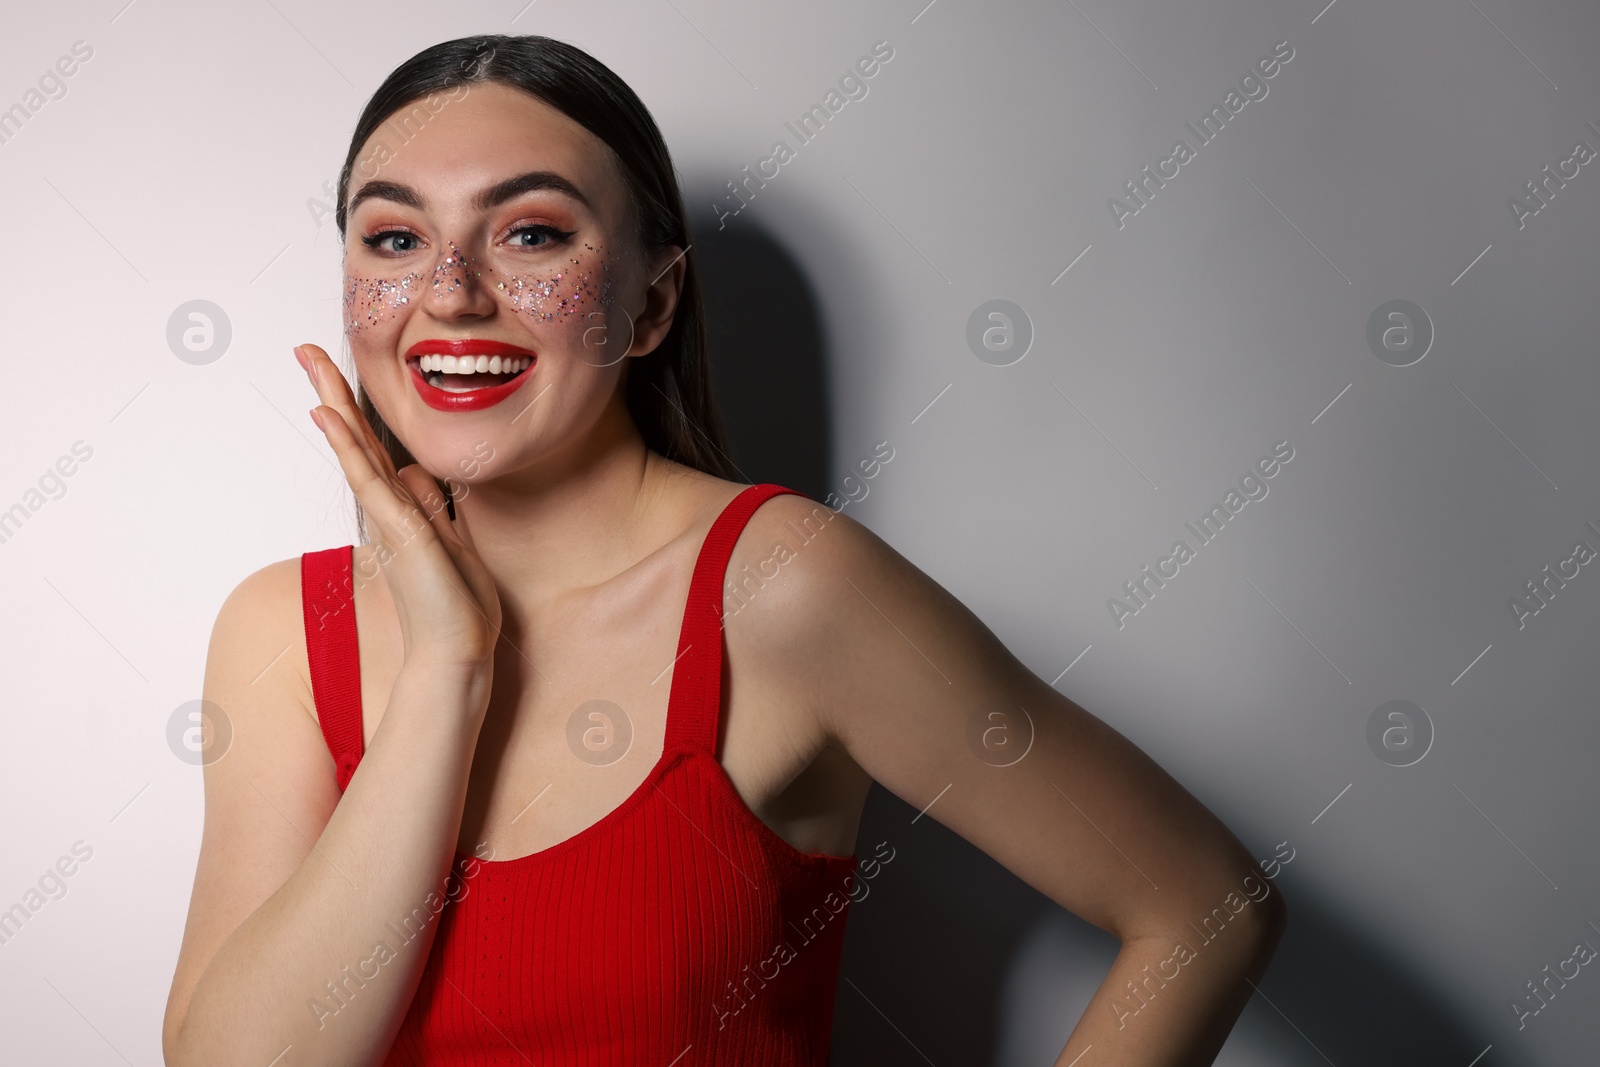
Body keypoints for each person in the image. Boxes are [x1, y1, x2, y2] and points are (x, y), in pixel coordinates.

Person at [161, 33, 1284, 1066]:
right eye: (396, 238)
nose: (451, 292)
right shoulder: (277, 632)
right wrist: (446, 671)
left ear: (650, 306)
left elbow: (1203, 905)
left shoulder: (785, 584)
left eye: (532, 233)